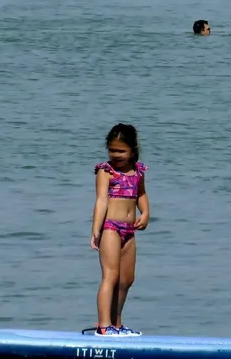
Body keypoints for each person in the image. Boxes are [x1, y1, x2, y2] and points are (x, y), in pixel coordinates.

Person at [91, 124, 149, 336]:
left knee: (126, 279)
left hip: (129, 231)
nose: (116, 155)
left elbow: (141, 194)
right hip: (110, 228)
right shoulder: (106, 172)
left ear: (133, 150)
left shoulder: (138, 171)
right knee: (111, 276)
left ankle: (116, 324)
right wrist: (96, 230)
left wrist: (145, 213)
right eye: (112, 150)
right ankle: (103, 326)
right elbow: (101, 201)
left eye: (121, 151)